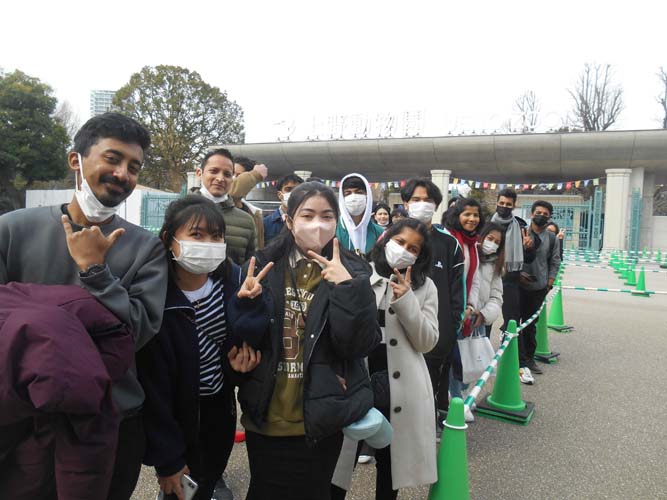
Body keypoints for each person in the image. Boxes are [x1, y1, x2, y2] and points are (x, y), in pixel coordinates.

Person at [0, 112, 167, 500]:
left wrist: (95, 272)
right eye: (112, 158)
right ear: (76, 159)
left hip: (110, 421)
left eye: (133, 166)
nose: (123, 173)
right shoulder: (12, 229)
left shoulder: (146, 248)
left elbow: (139, 331)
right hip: (24, 419)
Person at [237, 181, 381, 500]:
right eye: (308, 215)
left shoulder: (354, 271)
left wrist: (348, 291)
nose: (318, 224)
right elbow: (241, 341)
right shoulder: (261, 267)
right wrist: (245, 304)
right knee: (262, 491)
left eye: (327, 216)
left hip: (320, 418)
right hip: (267, 414)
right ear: (289, 221)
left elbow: (357, 346)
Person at [138, 196, 269, 500]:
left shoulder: (233, 283)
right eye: (196, 235)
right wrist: (167, 459)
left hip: (218, 410)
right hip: (174, 414)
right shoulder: (155, 296)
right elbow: (152, 385)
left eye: (216, 236)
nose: (208, 243)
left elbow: (239, 351)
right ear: (168, 240)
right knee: (178, 490)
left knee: (205, 483)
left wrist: (238, 369)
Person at [332, 218, 439, 500]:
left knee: (390, 467)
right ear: (386, 239)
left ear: (420, 256)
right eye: (400, 242)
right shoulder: (358, 274)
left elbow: (427, 342)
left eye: (413, 249)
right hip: (354, 383)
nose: (404, 250)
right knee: (339, 464)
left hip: (398, 391)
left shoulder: (425, 287)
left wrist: (407, 302)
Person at [400, 178, 465, 435]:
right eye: (415, 199)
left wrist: (452, 326)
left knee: (430, 384)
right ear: (405, 204)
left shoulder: (449, 244)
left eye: (427, 200)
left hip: (435, 333)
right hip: (397, 330)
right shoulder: (393, 238)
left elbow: (457, 291)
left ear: (437, 205)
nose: (422, 205)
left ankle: (428, 430)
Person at [442, 197, 485, 422]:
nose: (472, 218)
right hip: (448, 311)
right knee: (449, 359)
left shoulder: (473, 244)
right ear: (457, 215)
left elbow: (475, 279)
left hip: (464, 312)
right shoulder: (449, 239)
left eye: (476, 215)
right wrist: (457, 308)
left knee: (459, 358)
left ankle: (456, 398)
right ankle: (453, 401)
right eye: (467, 214)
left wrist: (470, 306)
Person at [490, 188, 537, 384]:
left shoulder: (520, 226)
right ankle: (480, 361)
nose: (505, 207)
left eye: (509, 204)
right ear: (497, 203)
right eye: (502, 203)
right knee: (483, 320)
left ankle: (518, 363)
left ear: (514, 206)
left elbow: (529, 258)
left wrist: (528, 247)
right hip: (489, 277)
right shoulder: (487, 225)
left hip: (510, 279)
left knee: (512, 321)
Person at [517, 200, 561, 383]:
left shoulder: (551, 238)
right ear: (531, 213)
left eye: (545, 213)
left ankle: (528, 359)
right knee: (513, 323)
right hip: (517, 286)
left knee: (530, 325)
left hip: (539, 287)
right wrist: (517, 274)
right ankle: (514, 360)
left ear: (549, 216)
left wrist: (549, 283)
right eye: (538, 212)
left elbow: (555, 261)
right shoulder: (520, 233)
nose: (541, 215)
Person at [196, 148, 257, 265]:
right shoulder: (180, 212)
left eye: (227, 174)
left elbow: (252, 265)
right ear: (199, 173)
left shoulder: (247, 220)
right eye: (214, 171)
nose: (220, 179)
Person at [336, 173, 384, 255]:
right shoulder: (334, 231)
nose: (353, 197)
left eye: (359, 192)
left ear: (367, 196)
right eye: (348, 193)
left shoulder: (379, 233)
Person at [471, 222, 505, 337]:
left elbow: (496, 296)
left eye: (497, 242)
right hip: (462, 317)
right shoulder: (467, 255)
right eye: (490, 238)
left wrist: (484, 315)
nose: (492, 244)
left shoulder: (495, 265)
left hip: (481, 322)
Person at [232, 156, 268, 249]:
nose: (233, 179)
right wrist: (256, 174)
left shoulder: (255, 214)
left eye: (239, 176)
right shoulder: (215, 203)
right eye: (230, 174)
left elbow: (258, 248)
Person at [263, 174, 304, 244]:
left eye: (297, 190)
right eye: (288, 189)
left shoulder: (307, 222)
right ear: (279, 195)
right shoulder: (265, 223)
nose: (293, 193)